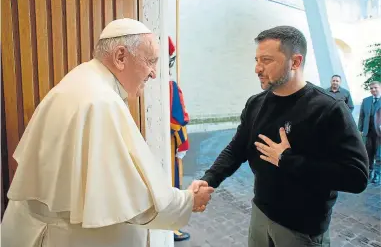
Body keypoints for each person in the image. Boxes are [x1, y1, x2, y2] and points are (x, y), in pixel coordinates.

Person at [1, 18, 214, 247]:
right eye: (150, 61)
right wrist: (188, 200)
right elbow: (135, 199)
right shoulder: (101, 101)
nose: (153, 73)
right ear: (120, 57)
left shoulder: (80, 79)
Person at [192, 26, 368, 247]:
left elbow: (357, 177)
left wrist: (287, 160)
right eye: (256, 60)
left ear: (295, 62)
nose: (257, 68)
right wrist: (209, 179)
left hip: (302, 229)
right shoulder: (256, 103)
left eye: (266, 60)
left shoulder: (328, 109)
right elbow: (237, 148)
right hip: (260, 215)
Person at [168, 36, 192, 241]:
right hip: (168, 145)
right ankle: (172, 228)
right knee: (173, 182)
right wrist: (183, 143)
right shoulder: (169, 86)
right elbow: (179, 118)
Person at [359, 81, 381, 185]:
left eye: (375, 88)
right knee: (368, 153)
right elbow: (362, 116)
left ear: (379, 88)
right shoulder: (366, 100)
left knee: (379, 154)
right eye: (371, 88)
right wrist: (360, 129)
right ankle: (368, 172)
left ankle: (377, 174)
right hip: (368, 131)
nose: (373, 90)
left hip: (379, 133)